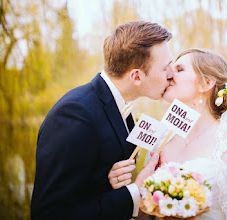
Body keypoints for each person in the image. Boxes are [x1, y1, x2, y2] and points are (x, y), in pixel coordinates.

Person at [31, 21, 174, 220]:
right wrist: (135, 192)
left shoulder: (117, 105)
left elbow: (89, 183)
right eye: (166, 68)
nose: (171, 75)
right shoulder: (75, 114)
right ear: (136, 76)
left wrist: (110, 184)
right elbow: (50, 213)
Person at [116, 48, 227, 220]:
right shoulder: (160, 140)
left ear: (206, 83)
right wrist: (132, 188)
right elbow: (143, 214)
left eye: (179, 69)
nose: (168, 75)